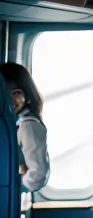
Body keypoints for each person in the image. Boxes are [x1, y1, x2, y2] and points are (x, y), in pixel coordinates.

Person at [0, 62, 50, 192]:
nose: (11, 99)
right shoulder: (12, 122)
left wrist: (19, 182)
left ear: (27, 94)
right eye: (5, 92)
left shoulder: (28, 125)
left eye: (16, 92)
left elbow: (38, 175)